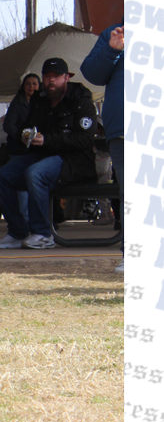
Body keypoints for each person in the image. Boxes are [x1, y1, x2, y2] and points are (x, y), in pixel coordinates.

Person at [0, 57, 96, 251]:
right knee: (1, 176)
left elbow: (85, 140)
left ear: (67, 77)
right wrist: (25, 135)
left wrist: (48, 139)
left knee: (35, 173)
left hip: (73, 162)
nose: (51, 81)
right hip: (41, 156)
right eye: (47, 77)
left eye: (56, 76)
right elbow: (25, 127)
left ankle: (42, 234)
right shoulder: (39, 100)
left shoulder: (81, 101)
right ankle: (18, 232)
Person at [80, 20, 123, 272]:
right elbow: (91, 73)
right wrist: (112, 50)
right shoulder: (114, 33)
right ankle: (134, 253)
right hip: (123, 129)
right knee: (131, 195)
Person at [2, 73, 41, 155]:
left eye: (34, 84)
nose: (31, 87)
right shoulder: (17, 103)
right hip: (18, 147)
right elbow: (8, 125)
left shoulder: (43, 102)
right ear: (23, 86)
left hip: (37, 146)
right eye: (28, 84)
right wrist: (21, 136)